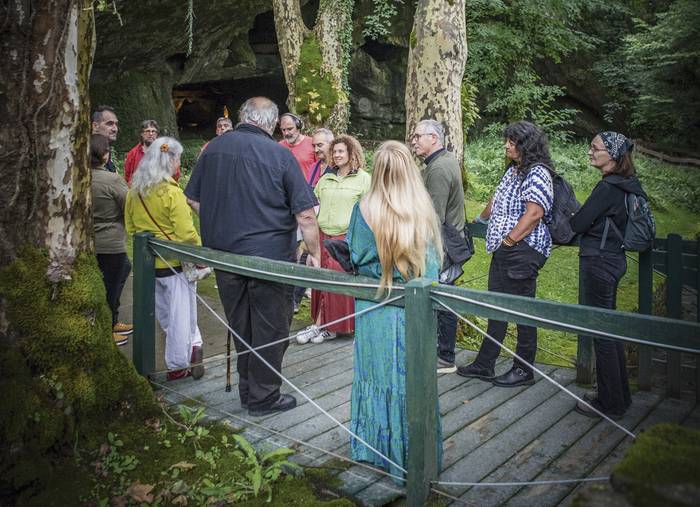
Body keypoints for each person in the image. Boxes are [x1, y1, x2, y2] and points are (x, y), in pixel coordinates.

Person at [185, 97, 321, 416]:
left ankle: (249, 390)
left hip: (225, 255)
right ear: (272, 123)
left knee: (241, 324)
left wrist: (223, 217)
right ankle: (263, 397)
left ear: (244, 117)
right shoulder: (279, 154)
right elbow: (305, 214)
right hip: (269, 258)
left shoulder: (213, 150)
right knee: (270, 328)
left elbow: (192, 199)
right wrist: (314, 252)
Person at [347, 140, 443, 482]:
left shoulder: (363, 208)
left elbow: (356, 255)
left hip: (374, 303)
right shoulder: (422, 210)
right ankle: (415, 455)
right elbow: (431, 268)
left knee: (375, 377)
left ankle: (374, 449)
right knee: (413, 380)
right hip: (413, 309)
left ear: (377, 171)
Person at [457, 121, 554, 387]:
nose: (506, 145)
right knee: (494, 307)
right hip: (504, 249)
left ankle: (524, 370)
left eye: (511, 141)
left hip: (522, 250)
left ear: (526, 144)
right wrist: (480, 220)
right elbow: (497, 199)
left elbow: (535, 212)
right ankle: (485, 364)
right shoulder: (514, 170)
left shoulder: (537, 172)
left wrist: (510, 240)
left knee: (523, 311)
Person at [570, 132, 641, 420]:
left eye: (595, 148)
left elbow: (579, 221)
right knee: (609, 330)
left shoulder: (608, 187)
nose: (589, 152)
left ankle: (609, 404)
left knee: (602, 332)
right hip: (613, 259)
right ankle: (618, 396)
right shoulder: (627, 185)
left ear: (611, 155)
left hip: (599, 262)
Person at [125, 137, 204, 381]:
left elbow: (130, 228)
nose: (179, 163)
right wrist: (200, 255)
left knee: (165, 315)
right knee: (180, 315)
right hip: (174, 263)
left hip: (149, 264)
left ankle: (186, 353)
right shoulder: (171, 193)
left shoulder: (134, 191)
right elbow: (186, 234)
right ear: (170, 160)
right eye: (178, 158)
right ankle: (177, 364)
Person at [296, 134, 371, 344]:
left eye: (341, 151)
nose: (337, 155)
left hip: (345, 238)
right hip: (322, 234)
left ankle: (328, 327)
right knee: (320, 280)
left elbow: (369, 211)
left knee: (335, 282)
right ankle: (321, 325)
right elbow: (315, 206)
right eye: (334, 151)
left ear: (351, 153)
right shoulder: (326, 178)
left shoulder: (364, 179)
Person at [411, 119, 465, 374]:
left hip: (441, 246)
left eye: (418, 136)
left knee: (441, 299)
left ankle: (444, 356)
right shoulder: (443, 161)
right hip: (444, 242)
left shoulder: (439, 168)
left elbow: (433, 217)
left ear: (434, 138)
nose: (414, 141)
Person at [90, 134, 132, 345]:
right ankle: (108, 329)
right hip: (112, 242)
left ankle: (112, 321)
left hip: (90, 241)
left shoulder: (77, 177)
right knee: (112, 286)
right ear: (105, 155)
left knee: (103, 284)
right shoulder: (111, 179)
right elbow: (129, 205)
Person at [292, 127, 335, 313]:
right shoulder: (314, 167)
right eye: (314, 146)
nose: (316, 149)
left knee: (310, 258)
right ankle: (296, 301)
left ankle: (323, 308)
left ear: (331, 144)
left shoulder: (337, 168)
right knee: (304, 257)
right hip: (311, 221)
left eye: (320, 145)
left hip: (328, 224)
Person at [123, 120, 180, 185]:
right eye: (147, 131)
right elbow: (127, 176)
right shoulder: (133, 153)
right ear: (142, 134)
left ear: (157, 134)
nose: (151, 134)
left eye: (153, 131)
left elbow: (176, 173)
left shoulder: (165, 151)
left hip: (160, 191)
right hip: (138, 191)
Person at [278, 112, 316, 180]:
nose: (286, 133)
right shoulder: (279, 146)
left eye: (290, 129)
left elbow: (321, 167)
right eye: (283, 130)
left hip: (308, 188)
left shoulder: (312, 143)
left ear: (298, 127)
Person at [91, 105, 119, 173]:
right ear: (95, 126)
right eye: (110, 124)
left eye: (116, 124)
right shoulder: (86, 153)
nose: (115, 129)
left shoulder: (108, 151)